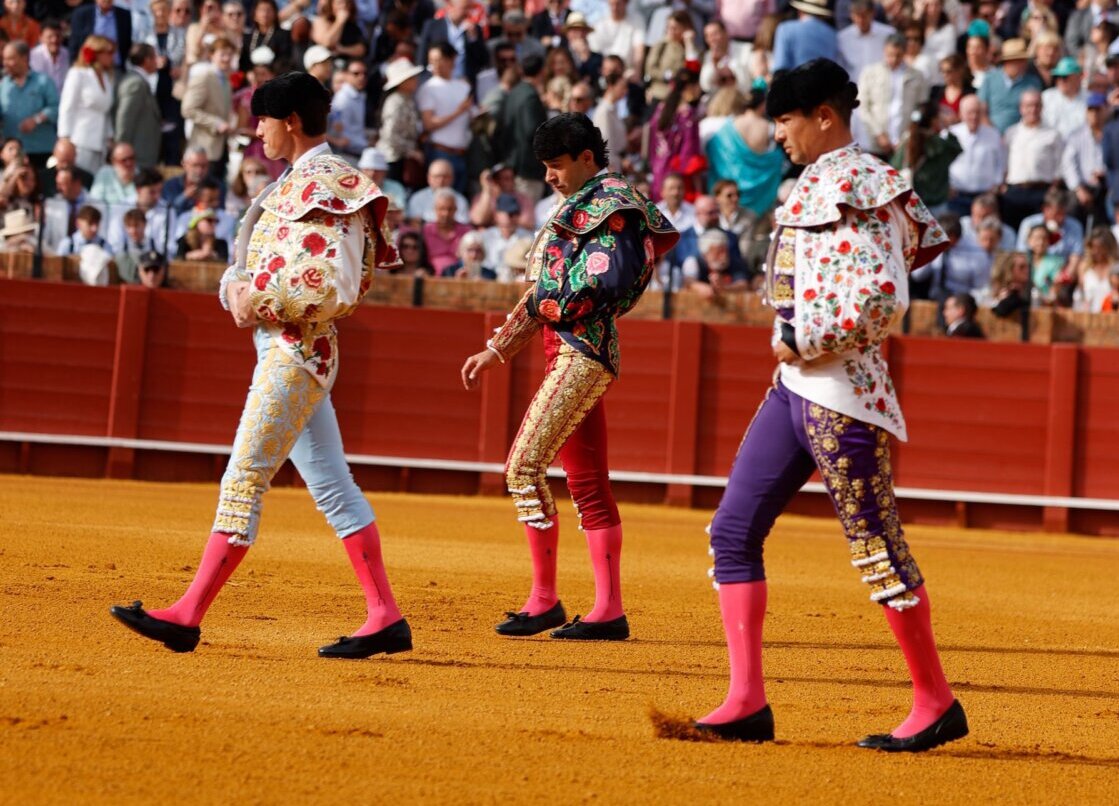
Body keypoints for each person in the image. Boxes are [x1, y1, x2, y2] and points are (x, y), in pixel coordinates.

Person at [688, 59, 967, 752]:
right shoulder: (816, 182)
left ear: (822, 116)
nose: (775, 132)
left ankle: (934, 701)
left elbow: (880, 299)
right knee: (730, 532)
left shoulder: (862, 182)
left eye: (784, 119)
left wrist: (800, 339)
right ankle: (745, 699)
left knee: (876, 548)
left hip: (841, 393)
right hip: (793, 391)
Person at [110, 71, 410, 660]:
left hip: (297, 352)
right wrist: (237, 290)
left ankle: (188, 614)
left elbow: (339, 287)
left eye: (263, 121)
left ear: (289, 122)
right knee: (333, 487)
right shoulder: (291, 186)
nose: (258, 132)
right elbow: (245, 263)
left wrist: (261, 301)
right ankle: (384, 616)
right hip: (282, 348)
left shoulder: (336, 188)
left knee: (244, 477)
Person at [459, 113, 678, 642]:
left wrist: (546, 308)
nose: (550, 177)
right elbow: (545, 293)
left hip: (582, 351)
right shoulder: (579, 208)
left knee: (522, 468)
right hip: (568, 348)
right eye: (545, 168)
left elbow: (607, 282)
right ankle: (608, 610)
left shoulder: (614, 208)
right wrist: (498, 347)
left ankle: (544, 600)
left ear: (586, 157)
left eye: (557, 166)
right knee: (587, 483)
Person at [57, 35, 116, 174]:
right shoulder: (77, 74)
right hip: (80, 141)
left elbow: (105, 111)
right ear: (96, 53)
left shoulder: (107, 77)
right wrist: (65, 138)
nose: (112, 57)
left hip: (101, 143)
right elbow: (67, 107)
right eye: (108, 53)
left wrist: (110, 136)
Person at [182, 36, 236, 177]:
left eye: (230, 55)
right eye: (223, 54)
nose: (226, 58)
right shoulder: (203, 77)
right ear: (212, 55)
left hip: (220, 148)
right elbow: (188, 109)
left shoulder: (227, 81)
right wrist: (216, 123)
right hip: (203, 149)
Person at [0, 40, 59, 169]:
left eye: (10, 59)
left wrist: (36, 119)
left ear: (24, 58)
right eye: (4, 59)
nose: (5, 64)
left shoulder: (43, 81)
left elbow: (56, 108)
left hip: (40, 149)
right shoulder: (3, 85)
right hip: (13, 154)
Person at [647, 68, 704, 202]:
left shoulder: (660, 109)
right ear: (690, 87)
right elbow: (690, 154)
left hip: (658, 172)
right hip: (679, 179)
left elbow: (652, 145)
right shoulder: (687, 115)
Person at [376, 58, 425, 188]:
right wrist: (411, 151)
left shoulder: (408, 99)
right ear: (402, 82)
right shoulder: (395, 102)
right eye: (411, 78)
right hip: (392, 158)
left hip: (403, 158)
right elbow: (390, 135)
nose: (415, 80)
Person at [114, 43, 163, 170]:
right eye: (154, 57)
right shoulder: (136, 83)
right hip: (136, 156)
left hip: (141, 155)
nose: (157, 61)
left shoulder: (138, 80)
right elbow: (125, 119)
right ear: (147, 60)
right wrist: (122, 152)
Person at [69, 0, 132, 68]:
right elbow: (74, 41)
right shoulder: (82, 14)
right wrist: (73, 63)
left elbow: (127, 42)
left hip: (115, 67)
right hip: (89, 67)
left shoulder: (124, 15)